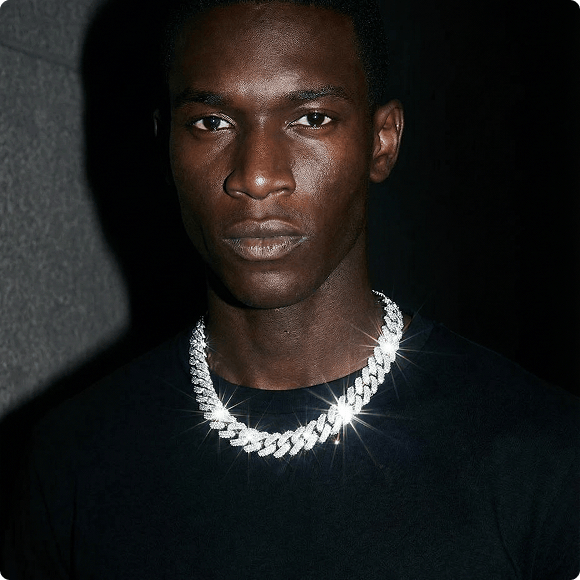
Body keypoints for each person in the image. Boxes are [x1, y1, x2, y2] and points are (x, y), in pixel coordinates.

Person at [2, 0, 578, 578]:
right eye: (211, 123)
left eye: (311, 119)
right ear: (165, 147)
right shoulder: (72, 459)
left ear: (382, 141)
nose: (256, 177)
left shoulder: (545, 454)